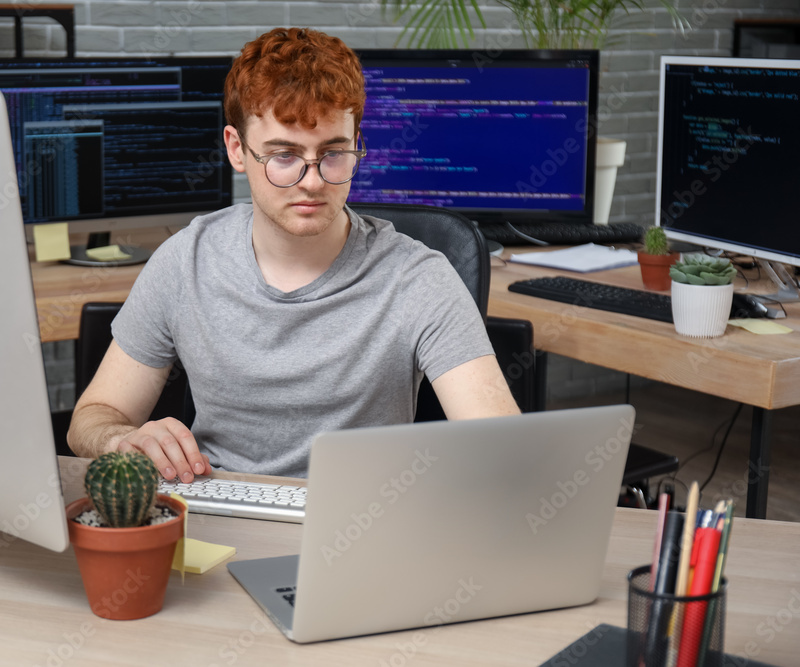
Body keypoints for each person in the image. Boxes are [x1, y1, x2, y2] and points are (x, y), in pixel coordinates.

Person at [67, 27, 519, 480]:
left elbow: (503, 449)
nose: (313, 181)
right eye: (284, 155)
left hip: (359, 523)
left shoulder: (418, 278)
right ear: (236, 149)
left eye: (334, 153)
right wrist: (118, 439)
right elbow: (92, 417)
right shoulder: (185, 260)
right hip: (218, 519)